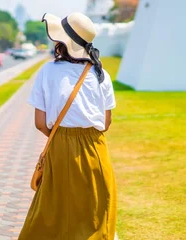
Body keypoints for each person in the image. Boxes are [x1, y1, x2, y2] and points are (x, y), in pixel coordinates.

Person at [19, 12, 117, 240]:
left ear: (65, 43)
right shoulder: (102, 74)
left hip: (60, 149)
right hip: (95, 149)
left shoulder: (47, 71)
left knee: (53, 215)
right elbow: (106, 123)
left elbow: (40, 123)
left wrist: (62, 135)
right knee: (94, 218)